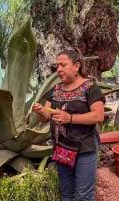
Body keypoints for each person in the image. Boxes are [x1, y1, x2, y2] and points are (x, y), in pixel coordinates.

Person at [32, 49, 105, 201]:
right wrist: (40, 111)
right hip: (61, 148)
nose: (58, 69)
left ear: (76, 66)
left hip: (84, 148)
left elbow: (98, 115)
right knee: (66, 194)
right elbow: (45, 118)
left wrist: (69, 118)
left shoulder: (90, 87)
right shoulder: (55, 90)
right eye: (57, 66)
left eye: (63, 65)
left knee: (84, 195)